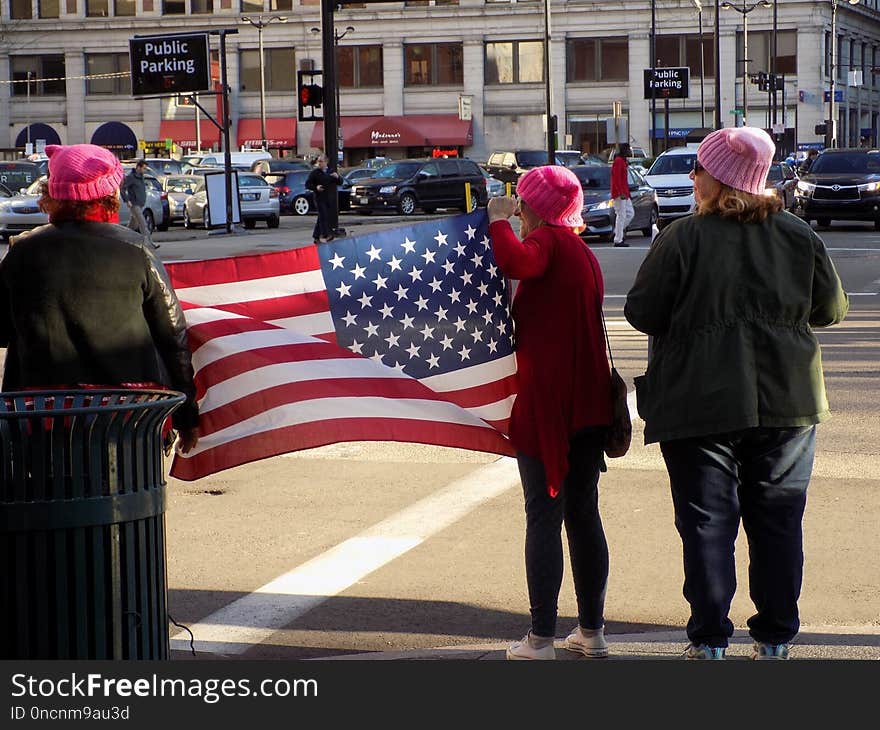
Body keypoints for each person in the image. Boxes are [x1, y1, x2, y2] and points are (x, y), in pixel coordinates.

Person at [624, 127, 849, 660]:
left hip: (698, 400)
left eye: (698, 168)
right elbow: (831, 311)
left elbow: (642, 312)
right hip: (788, 399)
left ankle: (709, 640)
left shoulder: (681, 238)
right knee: (778, 518)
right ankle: (774, 637)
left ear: (715, 177)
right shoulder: (798, 234)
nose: (693, 177)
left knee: (707, 522)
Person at [487, 165, 613, 661]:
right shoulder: (583, 252)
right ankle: (592, 630)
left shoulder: (549, 244)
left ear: (538, 207)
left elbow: (515, 261)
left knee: (543, 516)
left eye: (521, 202)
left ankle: (540, 637)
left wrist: (496, 222)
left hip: (550, 404)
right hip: (588, 403)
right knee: (584, 516)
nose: (518, 209)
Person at [0, 143, 199, 455]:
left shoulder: (22, 252)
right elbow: (172, 337)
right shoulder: (136, 249)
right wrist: (187, 416)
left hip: (41, 424)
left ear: (53, 195)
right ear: (109, 194)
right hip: (129, 423)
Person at [120, 159, 159, 250]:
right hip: (134, 204)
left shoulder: (141, 176)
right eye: (143, 168)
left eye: (145, 168)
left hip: (140, 203)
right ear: (138, 167)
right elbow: (122, 188)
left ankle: (123, 240)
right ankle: (149, 244)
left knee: (132, 225)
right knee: (143, 224)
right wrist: (127, 200)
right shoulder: (131, 177)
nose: (144, 170)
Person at [305, 154, 340, 245]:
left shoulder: (330, 171)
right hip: (319, 198)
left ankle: (316, 237)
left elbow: (340, 182)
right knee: (323, 215)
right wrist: (316, 187)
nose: (319, 163)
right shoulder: (315, 173)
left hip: (329, 198)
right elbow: (308, 184)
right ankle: (326, 234)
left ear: (326, 162)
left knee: (322, 217)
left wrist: (337, 177)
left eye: (321, 161)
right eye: (318, 161)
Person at [610, 143, 635, 247]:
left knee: (630, 213)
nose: (630, 151)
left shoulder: (623, 161)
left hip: (624, 193)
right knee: (621, 215)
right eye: (629, 149)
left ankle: (617, 232)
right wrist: (620, 192)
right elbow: (616, 178)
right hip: (620, 193)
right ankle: (618, 239)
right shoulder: (618, 161)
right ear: (625, 150)